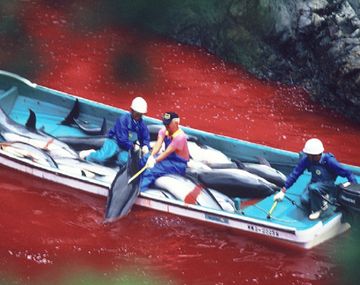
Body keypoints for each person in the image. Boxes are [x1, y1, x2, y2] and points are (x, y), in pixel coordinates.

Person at [274, 138, 357, 220]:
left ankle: (317, 209)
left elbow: (347, 173)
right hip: (315, 182)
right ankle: (322, 198)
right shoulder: (307, 160)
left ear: (317, 155)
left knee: (313, 188)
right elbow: (295, 174)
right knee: (304, 200)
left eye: (310, 155)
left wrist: (355, 188)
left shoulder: (329, 161)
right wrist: (283, 190)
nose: (308, 156)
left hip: (328, 184)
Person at [79, 97, 150, 165]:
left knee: (125, 161)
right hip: (115, 141)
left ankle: (114, 160)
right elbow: (122, 139)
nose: (138, 116)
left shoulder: (142, 125)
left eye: (140, 115)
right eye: (137, 113)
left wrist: (145, 146)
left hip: (127, 148)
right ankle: (89, 156)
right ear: (131, 110)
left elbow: (145, 138)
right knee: (101, 158)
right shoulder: (123, 120)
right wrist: (133, 146)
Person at [140, 112, 190, 191]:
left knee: (151, 170)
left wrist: (154, 161)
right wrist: (151, 156)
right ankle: (137, 180)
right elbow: (158, 144)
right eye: (165, 124)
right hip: (168, 159)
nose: (166, 126)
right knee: (144, 159)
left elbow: (167, 152)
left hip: (178, 164)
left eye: (168, 124)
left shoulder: (180, 137)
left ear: (176, 123)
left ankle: (139, 190)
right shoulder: (164, 130)